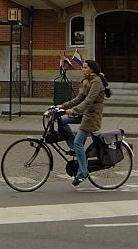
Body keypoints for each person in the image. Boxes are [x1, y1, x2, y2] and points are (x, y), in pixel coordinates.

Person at [55, 58, 109, 186]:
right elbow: (79, 98)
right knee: (61, 120)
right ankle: (73, 147)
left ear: (92, 69)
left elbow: (89, 101)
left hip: (91, 116)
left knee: (79, 142)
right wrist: (63, 106)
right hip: (83, 113)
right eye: (82, 67)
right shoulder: (87, 81)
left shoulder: (96, 82)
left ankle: (83, 172)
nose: (82, 69)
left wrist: (74, 110)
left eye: (85, 67)